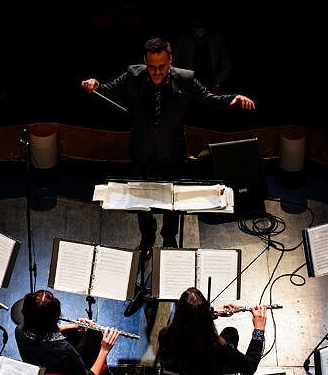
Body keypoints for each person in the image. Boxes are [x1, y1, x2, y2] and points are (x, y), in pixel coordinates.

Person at [79, 37, 255, 253]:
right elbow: (106, 89)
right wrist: (94, 85)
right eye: (152, 67)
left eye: (162, 67)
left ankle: (169, 238)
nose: (157, 72)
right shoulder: (133, 75)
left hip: (172, 152)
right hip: (141, 151)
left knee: (173, 201)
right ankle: (147, 237)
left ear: (170, 60)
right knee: (141, 201)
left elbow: (207, 99)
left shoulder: (185, 79)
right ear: (145, 61)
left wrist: (233, 99)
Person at [156, 287, 267, 375]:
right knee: (231, 332)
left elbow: (189, 322)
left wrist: (211, 313)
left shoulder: (164, 335)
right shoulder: (217, 346)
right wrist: (259, 329)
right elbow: (249, 367)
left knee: (230, 332)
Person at [14, 289, 120, 375]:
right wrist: (104, 349)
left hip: (42, 371)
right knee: (95, 335)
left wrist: (73, 326)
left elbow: (40, 334)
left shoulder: (19, 331)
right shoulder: (65, 350)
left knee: (89, 333)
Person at [172, 14, 232, 94]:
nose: (198, 29)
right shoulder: (182, 42)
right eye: (196, 25)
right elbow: (174, 66)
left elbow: (226, 66)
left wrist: (217, 84)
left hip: (212, 84)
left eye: (201, 25)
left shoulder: (217, 41)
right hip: (189, 85)